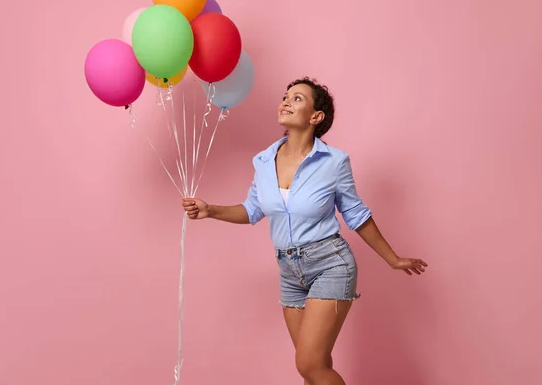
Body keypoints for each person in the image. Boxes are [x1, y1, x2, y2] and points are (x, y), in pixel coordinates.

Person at [182, 77, 428, 385]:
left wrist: (393, 259)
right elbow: (253, 209)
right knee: (313, 369)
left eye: (297, 98)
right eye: (285, 96)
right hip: (288, 271)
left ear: (316, 117)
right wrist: (211, 210)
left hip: (330, 265)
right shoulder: (263, 161)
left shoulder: (334, 162)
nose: (285, 101)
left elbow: (355, 214)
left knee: (309, 363)